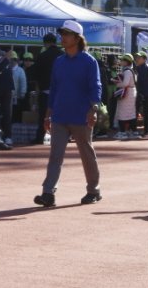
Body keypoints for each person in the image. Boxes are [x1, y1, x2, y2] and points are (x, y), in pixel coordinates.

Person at [35, 20, 103, 207]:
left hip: (81, 115)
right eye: (62, 34)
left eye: (66, 34)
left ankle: (93, 190)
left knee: (86, 153)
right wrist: (48, 113)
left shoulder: (89, 61)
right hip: (60, 115)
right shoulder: (59, 61)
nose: (62, 37)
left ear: (77, 38)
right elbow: (54, 88)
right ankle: (48, 193)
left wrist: (93, 109)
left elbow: (95, 87)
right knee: (55, 155)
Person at [111, 54, 137, 140]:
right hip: (131, 92)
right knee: (131, 112)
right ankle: (133, 131)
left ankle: (122, 132)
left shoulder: (127, 71)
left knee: (122, 111)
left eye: (122, 60)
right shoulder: (131, 70)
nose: (121, 62)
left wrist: (116, 83)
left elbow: (125, 83)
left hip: (127, 93)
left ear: (126, 62)